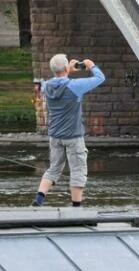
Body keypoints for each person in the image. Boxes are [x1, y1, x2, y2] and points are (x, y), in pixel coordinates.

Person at [32, 54, 106, 207]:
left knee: (54, 168)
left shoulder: (47, 86)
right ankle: (76, 207)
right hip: (73, 136)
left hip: (55, 136)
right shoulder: (75, 86)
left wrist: (67, 71)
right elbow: (100, 78)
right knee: (78, 170)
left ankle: (39, 198)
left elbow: (60, 81)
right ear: (66, 68)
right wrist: (91, 65)